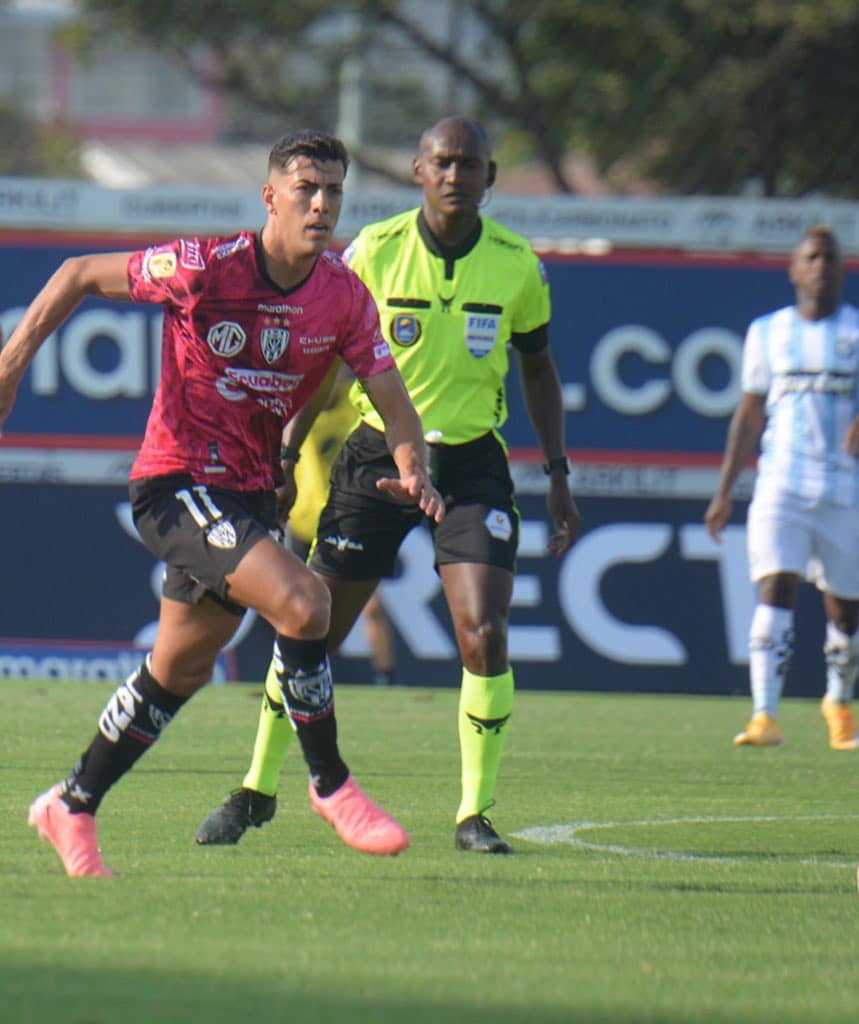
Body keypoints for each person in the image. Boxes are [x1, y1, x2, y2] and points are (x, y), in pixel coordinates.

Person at [0, 129, 444, 877]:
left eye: (334, 190)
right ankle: (331, 785)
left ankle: (71, 804)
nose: (323, 203)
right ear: (270, 196)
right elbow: (77, 273)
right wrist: (10, 367)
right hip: (176, 484)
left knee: (181, 667)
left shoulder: (342, 294)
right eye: (307, 188)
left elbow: (394, 403)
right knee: (305, 603)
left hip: (245, 495)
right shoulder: (207, 267)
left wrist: (414, 467)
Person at [195, 115, 581, 854]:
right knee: (308, 627)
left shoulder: (518, 265)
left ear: (490, 178)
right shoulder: (374, 250)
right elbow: (325, 355)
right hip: (377, 458)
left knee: (487, 633)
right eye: (443, 162)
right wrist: (288, 442)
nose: (456, 176)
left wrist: (558, 473)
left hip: (470, 465)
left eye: (471, 165)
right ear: (417, 170)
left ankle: (474, 813)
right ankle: (256, 789)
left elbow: (539, 370)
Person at [704, 225, 859, 750]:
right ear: (794, 270)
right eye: (811, 257)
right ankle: (763, 716)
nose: (820, 265)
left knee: (847, 612)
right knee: (774, 590)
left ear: (841, 270)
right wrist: (725, 490)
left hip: (846, 491)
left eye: (829, 258)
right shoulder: (768, 332)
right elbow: (749, 414)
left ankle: (838, 700)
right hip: (781, 484)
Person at [287, 363, 398, 686]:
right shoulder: (299, 409)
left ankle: (387, 680)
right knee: (297, 611)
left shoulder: (355, 407)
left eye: (335, 374)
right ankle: (297, 678)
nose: (331, 381)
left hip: (344, 519)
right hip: (304, 524)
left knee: (371, 606)